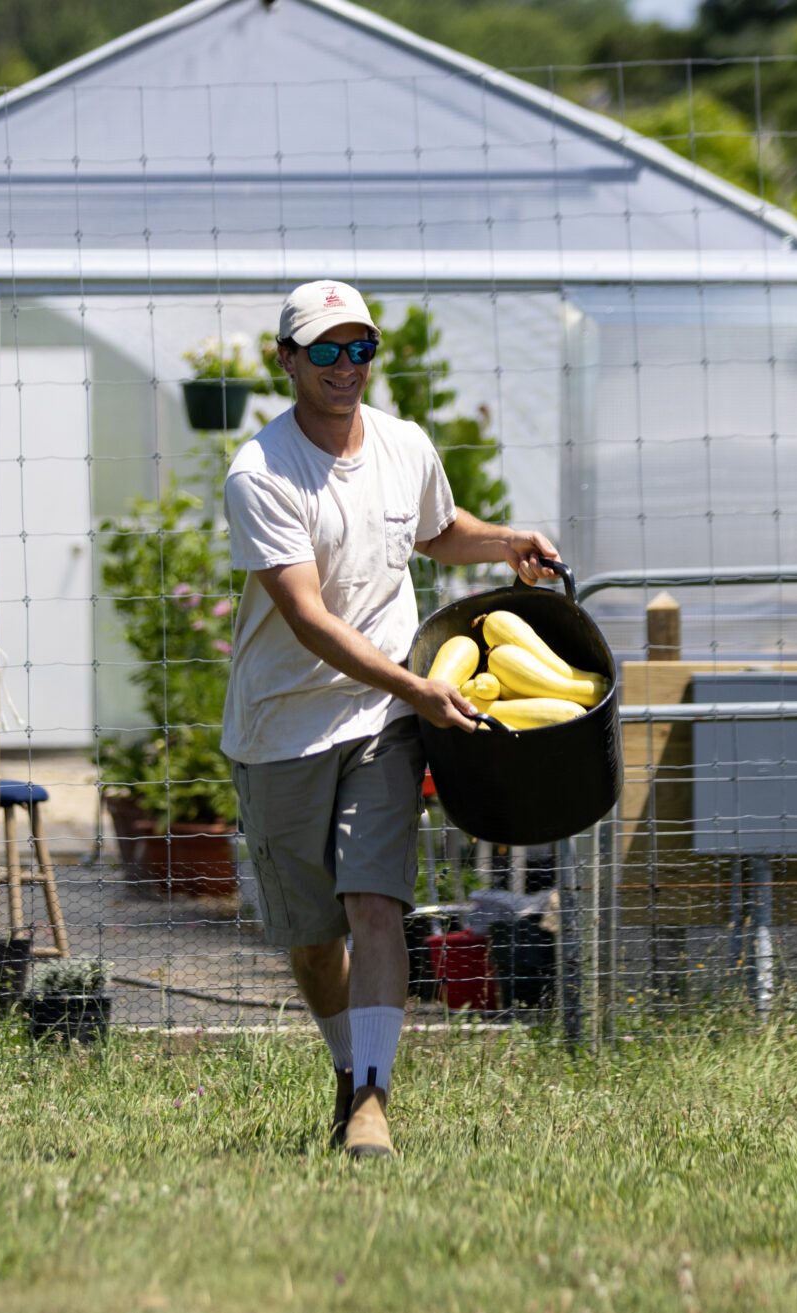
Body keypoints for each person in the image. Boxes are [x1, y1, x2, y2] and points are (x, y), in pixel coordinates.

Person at [221, 281, 559, 1158]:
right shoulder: (260, 473)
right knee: (311, 937)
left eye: (358, 348)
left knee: (376, 902)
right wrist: (419, 689)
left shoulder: (405, 445)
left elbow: (439, 530)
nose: (345, 366)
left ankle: (371, 1100)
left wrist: (505, 542)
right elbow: (307, 620)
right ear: (287, 359)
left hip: (381, 715)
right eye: (324, 350)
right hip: (282, 728)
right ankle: (348, 1064)